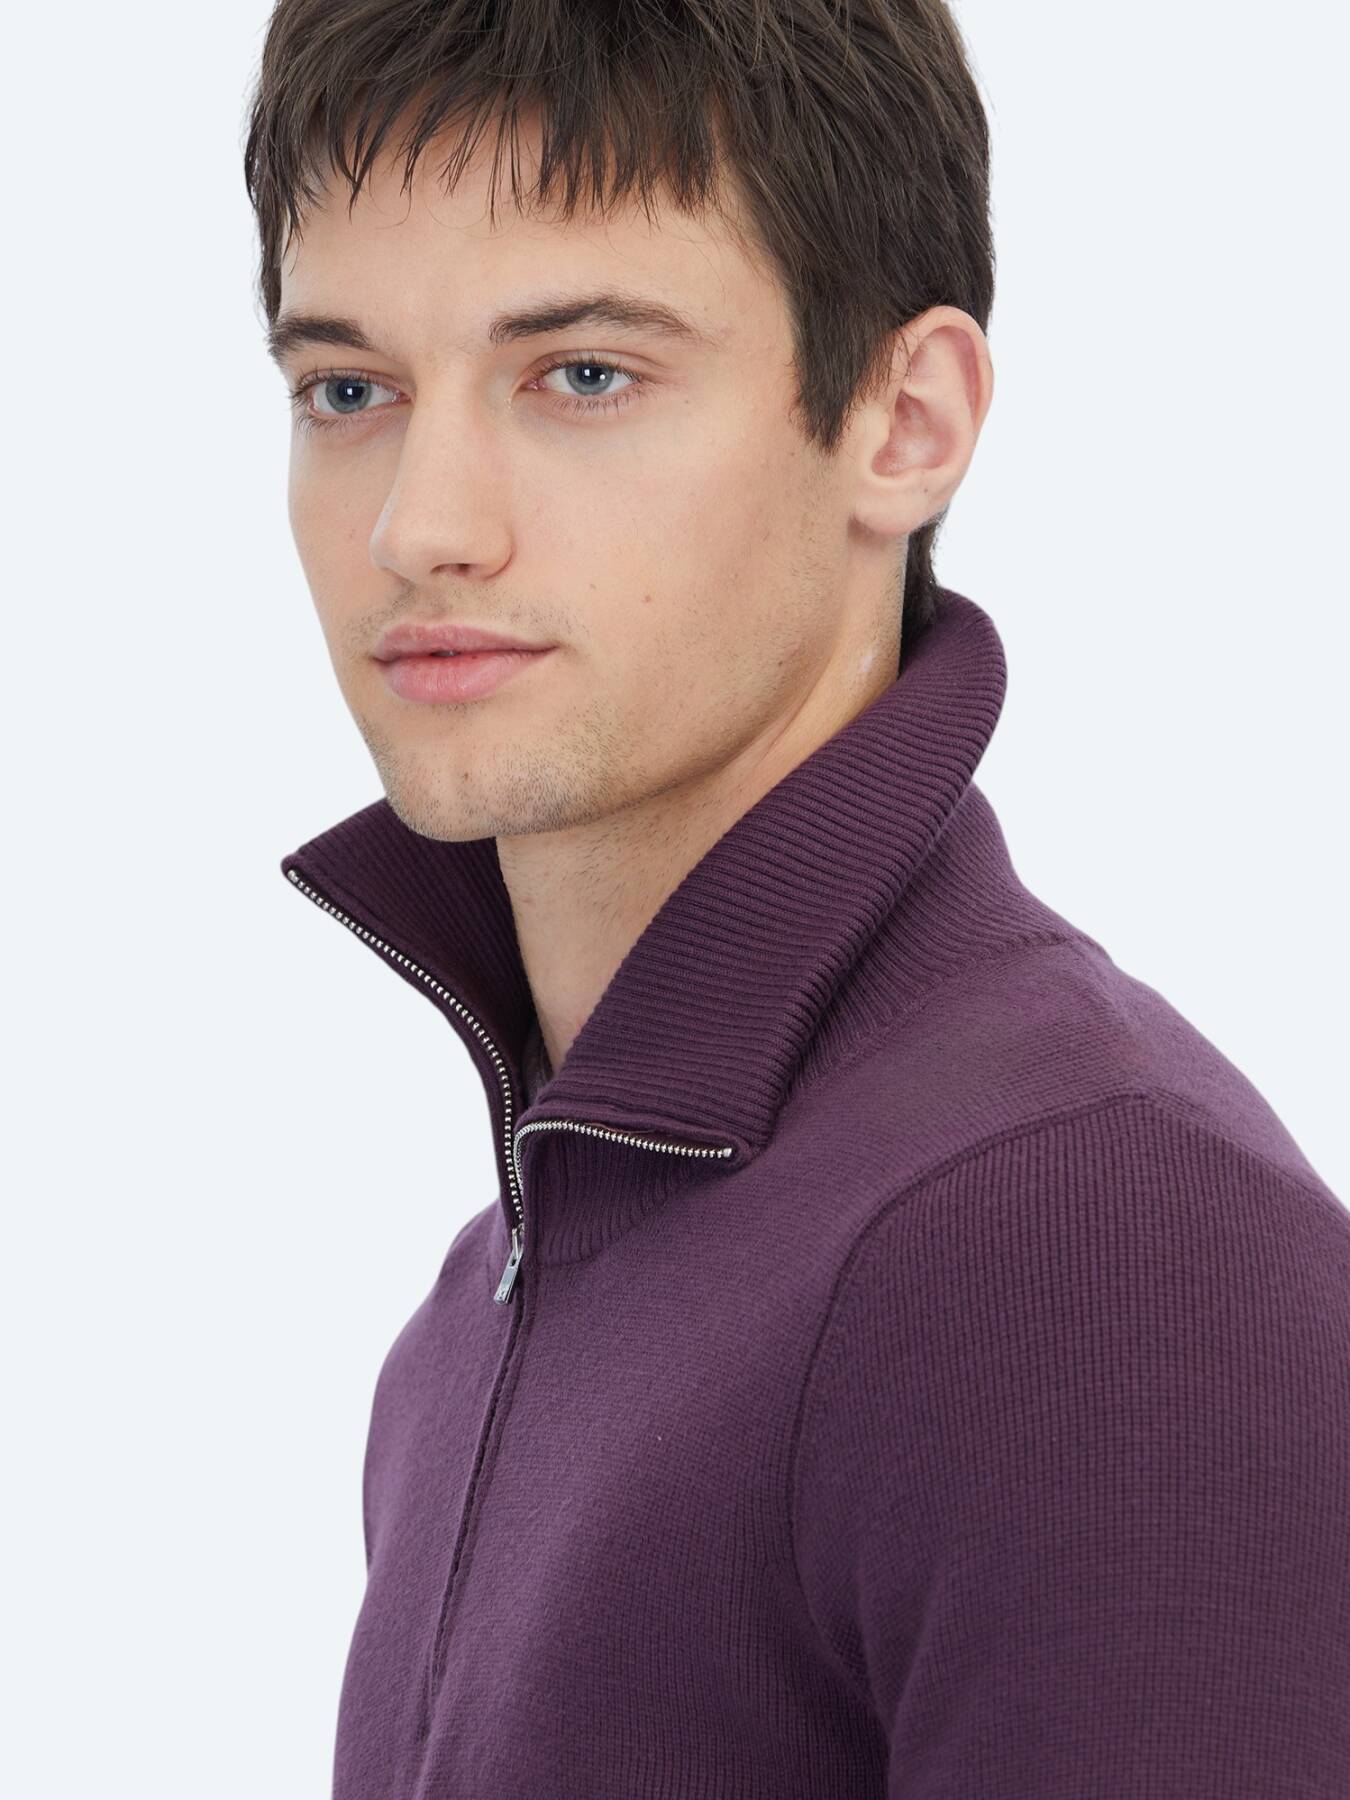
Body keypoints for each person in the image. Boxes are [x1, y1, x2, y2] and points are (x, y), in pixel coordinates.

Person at [243, 2, 1350, 1794]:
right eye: (348, 392)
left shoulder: (1093, 1250)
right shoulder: (485, 1310)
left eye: (582, 375)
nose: (419, 526)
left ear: (904, 422)